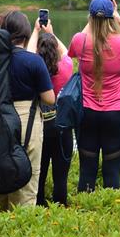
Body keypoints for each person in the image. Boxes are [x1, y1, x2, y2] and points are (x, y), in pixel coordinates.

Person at [0, 11, 56, 211]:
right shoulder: (33, 61)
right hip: (27, 121)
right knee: (26, 181)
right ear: (25, 33)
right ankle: (19, 234)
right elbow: (50, 98)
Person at [69, 0, 120, 192]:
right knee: (113, 171)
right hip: (117, 114)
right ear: (111, 18)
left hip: (87, 113)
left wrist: (92, 21)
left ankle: (83, 213)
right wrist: (118, 16)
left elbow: (72, 51)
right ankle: (112, 213)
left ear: (90, 18)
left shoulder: (80, 40)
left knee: (87, 171)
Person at [33, 24, 73, 206]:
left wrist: (36, 32)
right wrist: (51, 32)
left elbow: (28, 54)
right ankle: (60, 207)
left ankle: (39, 205)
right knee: (61, 175)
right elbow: (66, 52)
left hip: (40, 126)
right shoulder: (65, 66)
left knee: (39, 173)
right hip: (62, 126)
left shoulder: (34, 69)